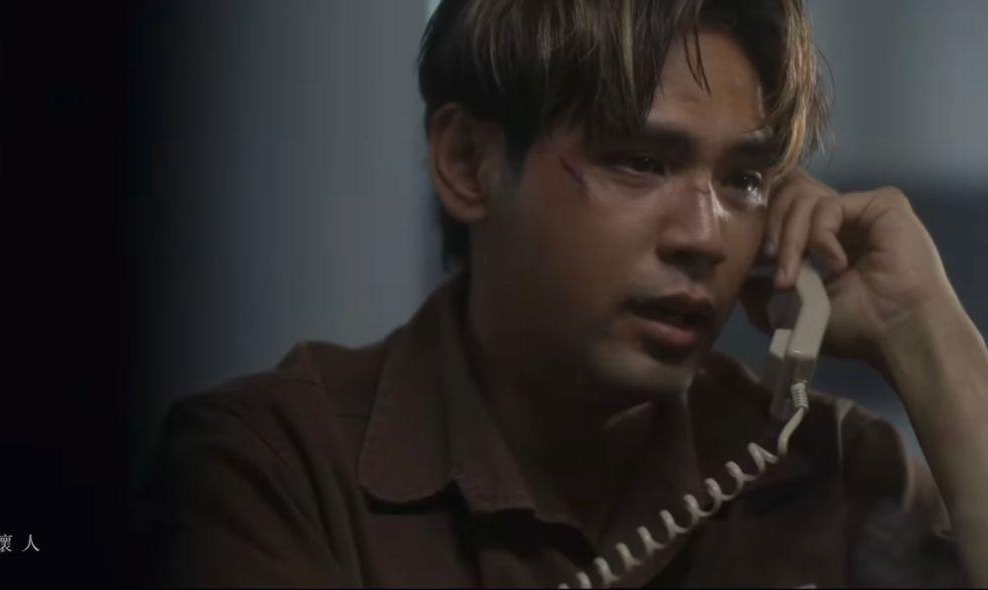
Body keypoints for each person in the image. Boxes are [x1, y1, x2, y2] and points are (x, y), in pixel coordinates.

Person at [142, 0, 988, 586]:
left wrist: (926, 332)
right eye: (640, 162)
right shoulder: (275, 468)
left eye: (745, 181)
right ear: (468, 163)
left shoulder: (832, 470)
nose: (705, 236)